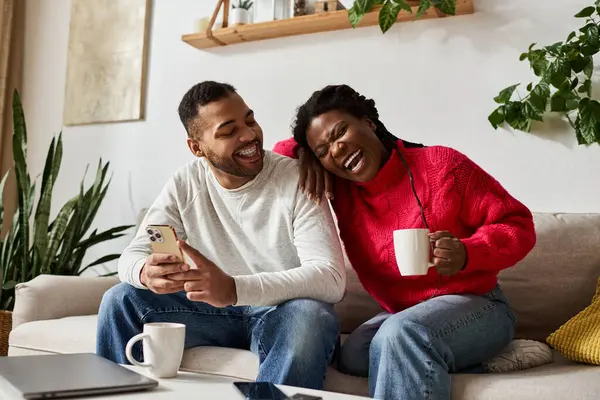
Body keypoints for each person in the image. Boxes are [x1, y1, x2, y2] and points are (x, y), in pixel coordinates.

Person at [273, 84, 537, 400]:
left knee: (399, 337)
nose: (337, 150)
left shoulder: (441, 165)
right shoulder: (342, 188)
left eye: (341, 131)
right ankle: (475, 362)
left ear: (369, 122)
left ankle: (482, 349)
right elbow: (279, 154)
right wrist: (306, 152)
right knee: (355, 356)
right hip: (406, 314)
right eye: (324, 149)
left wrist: (468, 252)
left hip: (480, 305)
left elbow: (517, 224)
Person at [96, 81, 347, 390]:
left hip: (282, 311)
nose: (249, 135)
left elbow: (331, 278)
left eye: (250, 120)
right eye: (228, 131)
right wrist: (145, 272)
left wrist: (233, 288)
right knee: (120, 299)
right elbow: (134, 253)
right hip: (213, 313)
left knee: (309, 316)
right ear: (197, 147)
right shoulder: (186, 183)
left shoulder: (295, 179)